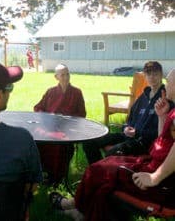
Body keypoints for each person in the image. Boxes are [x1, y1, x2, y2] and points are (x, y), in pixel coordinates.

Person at [49, 68, 175, 221]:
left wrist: (155, 177)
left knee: (99, 170)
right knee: (104, 168)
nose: (165, 84)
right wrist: (162, 116)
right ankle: (80, 211)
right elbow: (164, 139)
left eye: (168, 81)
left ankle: (72, 204)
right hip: (151, 161)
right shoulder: (159, 103)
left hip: (162, 181)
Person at [83, 61, 167, 164]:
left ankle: (102, 172)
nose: (152, 77)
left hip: (144, 142)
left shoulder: (165, 99)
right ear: (145, 76)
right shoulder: (143, 97)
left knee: (112, 153)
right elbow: (129, 120)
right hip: (128, 136)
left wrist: (138, 132)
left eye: (155, 74)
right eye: (149, 74)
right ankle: (96, 171)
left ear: (161, 75)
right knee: (89, 142)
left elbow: (162, 132)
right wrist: (126, 128)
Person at [34, 63, 86, 184]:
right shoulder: (51, 92)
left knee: (59, 144)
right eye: (62, 75)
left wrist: (67, 119)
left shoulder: (77, 92)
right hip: (49, 126)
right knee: (37, 140)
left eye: (67, 74)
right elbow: (38, 108)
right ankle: (42, 172)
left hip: (67, 128)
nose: (66, 77)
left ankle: (57, 177)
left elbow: (82, 114)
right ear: (56, 77)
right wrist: (49, 116)